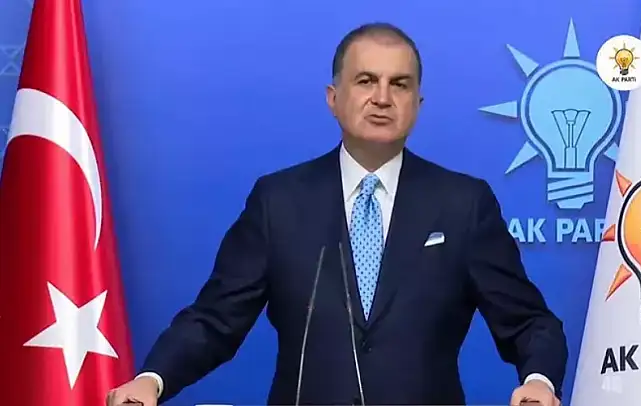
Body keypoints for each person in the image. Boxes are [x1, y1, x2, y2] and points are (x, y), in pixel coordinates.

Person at [106, 22, 568, 406]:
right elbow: (214, 319)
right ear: (333, 97)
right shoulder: (278, 201)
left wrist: (539, 382)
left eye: (399, 84)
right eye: (366, 81)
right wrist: (152, 379)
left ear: (417, 105)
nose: (382, 97)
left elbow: (529, 322)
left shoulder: (464, 204)